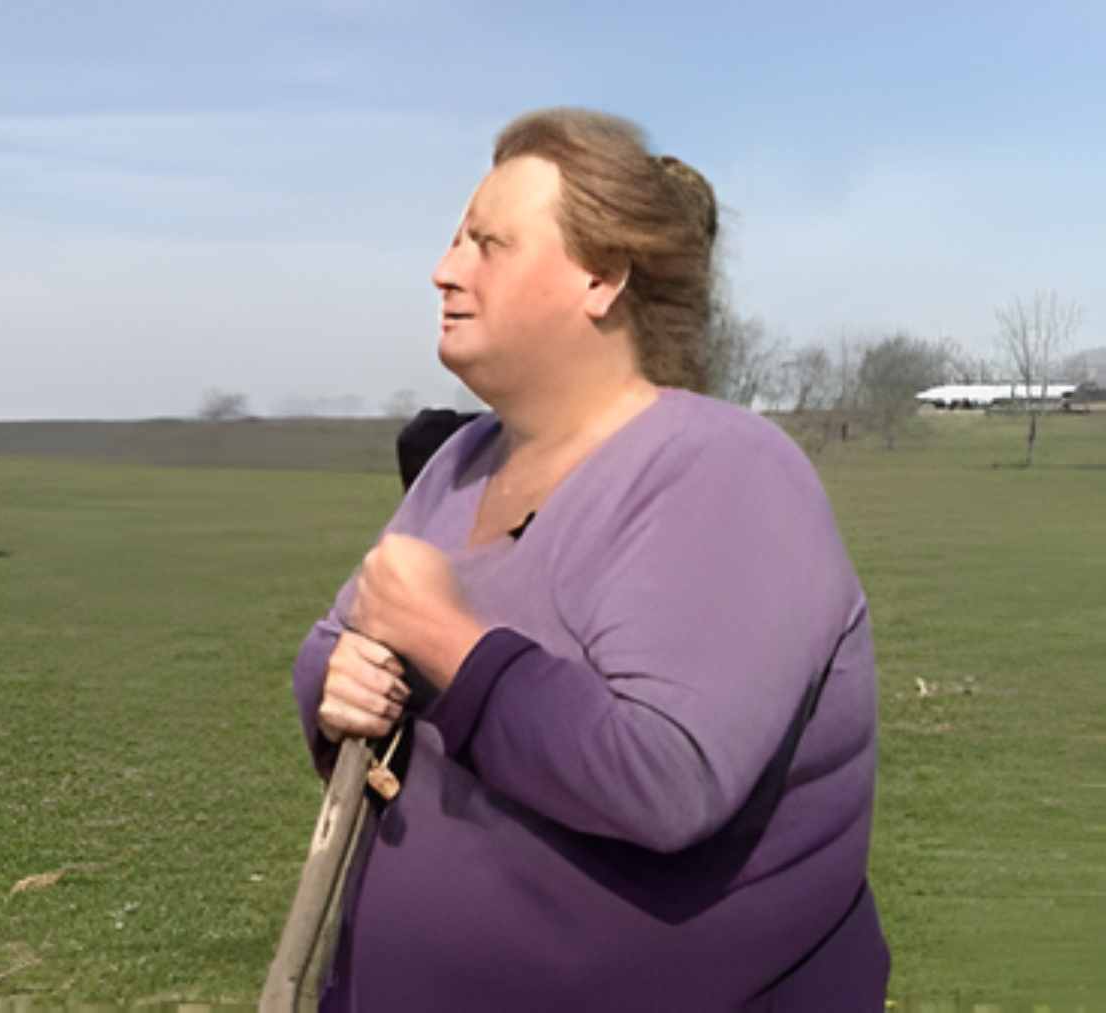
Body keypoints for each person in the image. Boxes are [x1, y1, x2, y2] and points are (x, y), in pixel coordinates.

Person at [290, 108, 889, 1010]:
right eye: (455, 242)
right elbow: (343, 639)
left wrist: (451, 645)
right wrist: (331, 683)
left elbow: (666, 775)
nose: (444, 270)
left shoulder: (723, 470)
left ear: (603, 277)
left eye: (488, 244)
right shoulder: (461, 463)